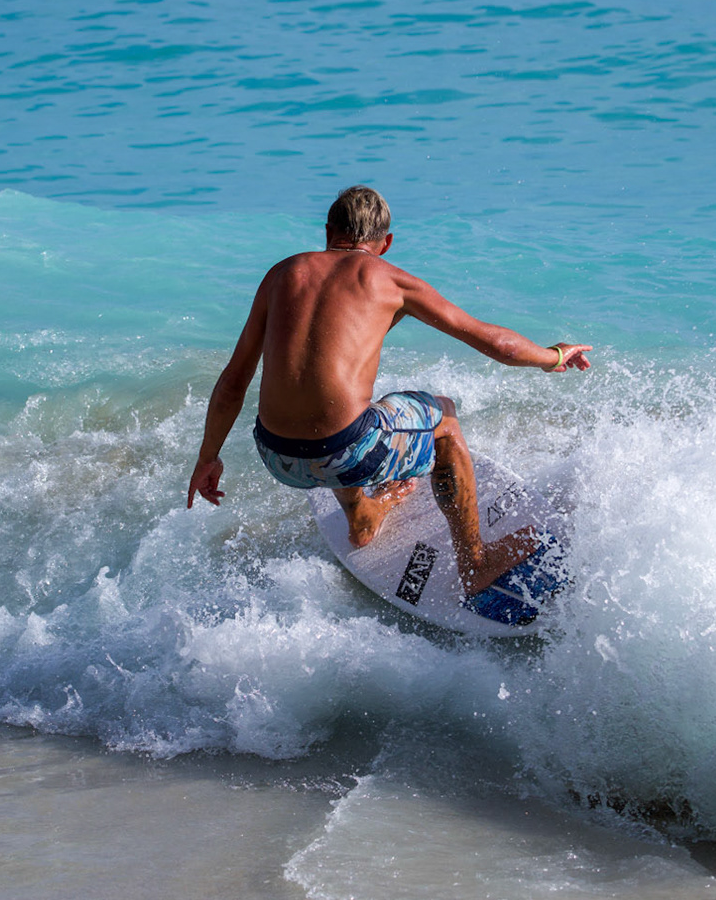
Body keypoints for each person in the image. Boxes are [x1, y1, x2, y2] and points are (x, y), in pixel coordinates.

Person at [186, 185, 591, 599]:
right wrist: (555, 356)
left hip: (278, 458)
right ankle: (476, 562)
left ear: (328, 232)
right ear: (386, 243)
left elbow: (233, 381)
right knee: (444, 418)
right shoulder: (392, 281)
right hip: (348, 454)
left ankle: (361, 516)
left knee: (351, 406)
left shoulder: (281, 275)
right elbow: (499, 346)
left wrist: (207, 458)